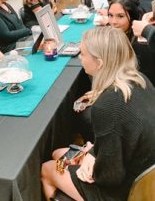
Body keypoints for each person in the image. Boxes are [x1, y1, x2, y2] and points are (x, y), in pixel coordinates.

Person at [41, 26, 155, 201]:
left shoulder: (107, 104)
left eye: (83, 54)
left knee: (48, 169)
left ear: (100, 63)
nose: (80, 57)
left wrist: (92, 162)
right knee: (59, 154)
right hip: (143, 173)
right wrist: (93, 153)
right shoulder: (139, 79)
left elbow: (109, 177)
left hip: (126, 189)